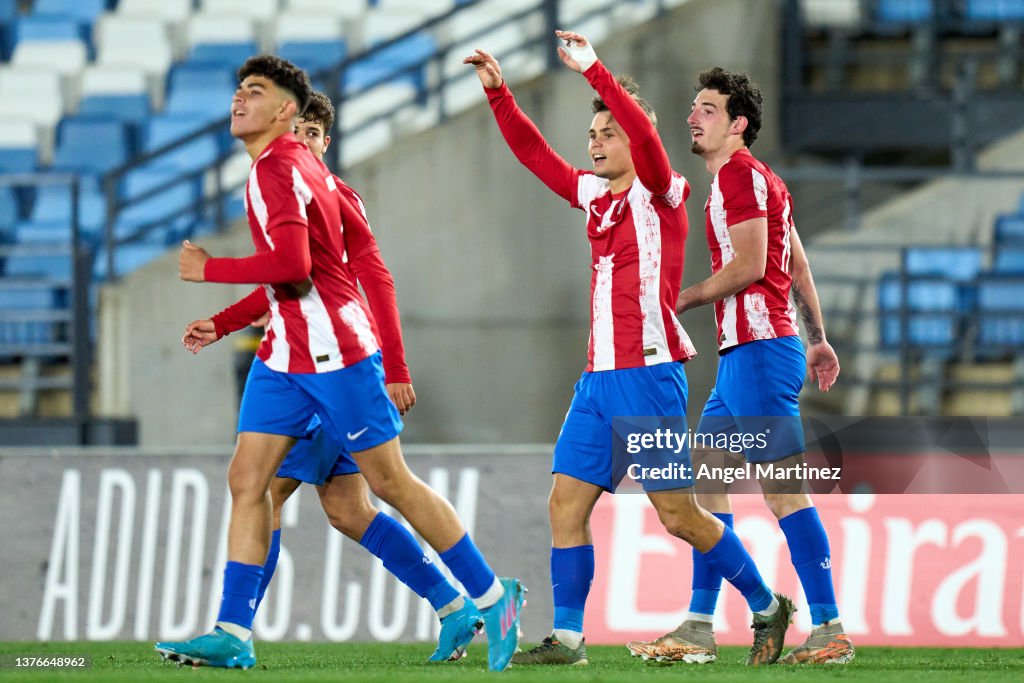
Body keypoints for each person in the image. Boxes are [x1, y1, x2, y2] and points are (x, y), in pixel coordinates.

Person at [154, 56, 523, 672]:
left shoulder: (284, 173)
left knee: (382, 486)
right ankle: (233, 631)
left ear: (292, 116)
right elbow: (293, 277)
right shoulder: (293, 171)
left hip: (334, 354)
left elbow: (310, 270)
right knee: (255, 484)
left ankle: (489, 597)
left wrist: (209, 269)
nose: (238, 101)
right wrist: (223, 321)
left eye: (256, 92)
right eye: (238, 90)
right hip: (284, 356)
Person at [465, 33, 793, 667]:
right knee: (565, 501)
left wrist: (593, 69)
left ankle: (764, 603)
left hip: (647, 375)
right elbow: (535, 156)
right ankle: (567, 639)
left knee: (677, 516)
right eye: (593, 133)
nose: (595, 142)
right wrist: (499, 94)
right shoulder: (595, 196)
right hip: (597, 380)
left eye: (607, 132)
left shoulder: (662, 189)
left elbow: (643, 134)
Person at [625, 68, 853, 665]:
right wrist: (819, 338)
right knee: (707, 485)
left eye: (707, 109)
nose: (692, 116)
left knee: (784, 493)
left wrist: (680, 298)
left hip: (756, 353)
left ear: (738, 124)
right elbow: (795, 264)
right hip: (751, 355)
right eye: (693, 106)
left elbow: (752, 266)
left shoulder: (738, 177)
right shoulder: (763, 181)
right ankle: (700, 626)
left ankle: (829, 628)